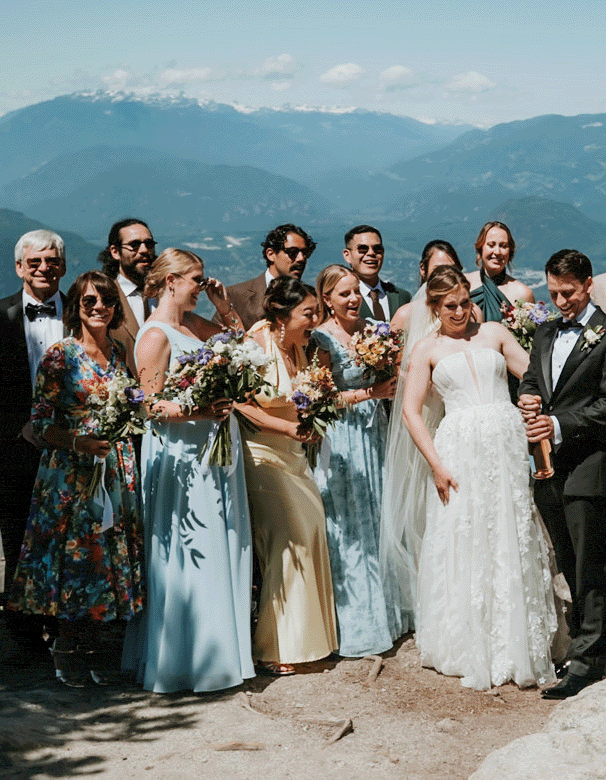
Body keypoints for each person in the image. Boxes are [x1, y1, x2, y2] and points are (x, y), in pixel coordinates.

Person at [395, 266, 560, 690]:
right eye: (449, 306)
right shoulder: (426, 350)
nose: (460, 311)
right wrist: (436, 464)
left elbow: (536, 375)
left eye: (465, 301)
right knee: (467, 534)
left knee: (510, 530)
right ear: (433, 307)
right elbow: (412, 412)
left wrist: (531, 401)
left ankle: (519, 640)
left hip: (505, 447)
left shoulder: (494, 334)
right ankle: (469, 641)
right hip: (459, 450)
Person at [121, 248, 257, 694]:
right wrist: (200, 409)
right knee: (194, 546)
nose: (202, 285)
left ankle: (221, 653)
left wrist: (224, 308)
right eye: (196, 279)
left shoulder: (193, 325)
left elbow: (241, 349)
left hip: (214, 445)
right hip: (182, 455)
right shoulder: (155, 336)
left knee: (223, 539)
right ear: (169, 281)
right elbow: (149, 406)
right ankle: (185, 660)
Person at [10, 271, 145, 686]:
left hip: (114, 469)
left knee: (106, 556)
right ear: (76, 309)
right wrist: (79, 444)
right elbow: (38, 424)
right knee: (76, 558)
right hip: (72, 474)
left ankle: (98, 649)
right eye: (89, 302)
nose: (99, 308)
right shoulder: (60, 357)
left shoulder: (122, 354)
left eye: (106, 301)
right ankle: (66, 649)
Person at [518, 249, 606, 699]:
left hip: (591, 468)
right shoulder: (545, 332)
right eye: (553, 293)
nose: (561, 301)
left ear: (588, 285)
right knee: (566, 565)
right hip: (548, 469)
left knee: (591, 567)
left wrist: (559, 424)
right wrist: (528, 399)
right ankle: (577, 648)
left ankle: (588, 664)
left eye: (568, 293)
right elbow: (533, 379)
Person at [0, 228, 67, 653]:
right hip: (13, 450)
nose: (44, 268)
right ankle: (24, 638)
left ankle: (68, 630)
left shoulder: (83, 311)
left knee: (70, 539)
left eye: (52, 261)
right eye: (36, 261)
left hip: (70, 450)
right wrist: (21, 426)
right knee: (20, 546)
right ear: (19, 267)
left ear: (63, 265)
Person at [239, 276, 340, 672]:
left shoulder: (302, 348)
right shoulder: (256, 344)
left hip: (296, 455)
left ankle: (310, 642)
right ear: (281, 315)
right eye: (308, 313)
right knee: (290, 536)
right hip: (261, 455)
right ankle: (277, 648)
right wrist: (284, 428)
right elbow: (239, 404)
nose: (316, 319)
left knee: (312, 527)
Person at [309, 264, 407, 658]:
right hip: (341, 439)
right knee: (348, 523)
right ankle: (356, 623)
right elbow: (319, 399)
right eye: (344, 294)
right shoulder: (321, 339)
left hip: (374, 433)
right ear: (327, 299)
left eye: (355, 292)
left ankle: (389, 614)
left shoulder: (371, 330)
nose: (353, 300)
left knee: (380, 518)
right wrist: (370, 393)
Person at [380, 239, 465, 621]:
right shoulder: (407, 314)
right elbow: (393, 370)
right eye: (436, 272)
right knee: (417, 505)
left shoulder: (467, 313)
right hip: (423, 413)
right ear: (422, 274)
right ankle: (421, 598)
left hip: (457, 416)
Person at [224, 224, 316, 329]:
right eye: (292, 252)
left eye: (305, 253)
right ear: (271, 254)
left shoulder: (311, 298)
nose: (301, 258)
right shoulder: (236, 295)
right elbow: (216, 338)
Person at [101, 217, 156, 358]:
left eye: (149, 244)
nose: (144, 250)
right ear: (115, 252)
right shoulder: (104, 297)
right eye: (134, 245)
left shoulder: (166, 294)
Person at [465, 220, 537, 322]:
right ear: (480, 248)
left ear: (510, 251)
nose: (497, 252)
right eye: (491, 245)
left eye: (503, 246)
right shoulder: (464, 283)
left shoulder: (523, 293)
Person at [343, 224, 411, 325]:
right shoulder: (342, 299)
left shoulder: (402, 297)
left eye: (377, 248)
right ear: (347, 255)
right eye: (362, 249)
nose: (371, 253)